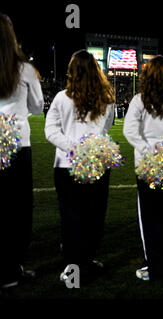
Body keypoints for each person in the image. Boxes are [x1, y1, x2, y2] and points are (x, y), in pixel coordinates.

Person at [45, 50, 115, 284]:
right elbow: (105, 130)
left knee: (73, 216)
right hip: (96, 164)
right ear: (97, 70)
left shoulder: (61, 97)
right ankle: (80, 263)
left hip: (67, 165)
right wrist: (84, 149)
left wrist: (73, 148)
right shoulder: (106, 98)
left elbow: (51, 131)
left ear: (72, 71)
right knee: (92, 215)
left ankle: (77, 264)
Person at [123, 55, 163, 281]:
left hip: (152, 164)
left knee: (155, 216)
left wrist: (149, 151)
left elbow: (130, 132)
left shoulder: (140, 100)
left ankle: (154, 262)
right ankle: (157, 261)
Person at [0, 12, 43, 290]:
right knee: (16, 210)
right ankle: (11, 269)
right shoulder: (24, 68)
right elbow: (38, 106)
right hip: (17, 143)